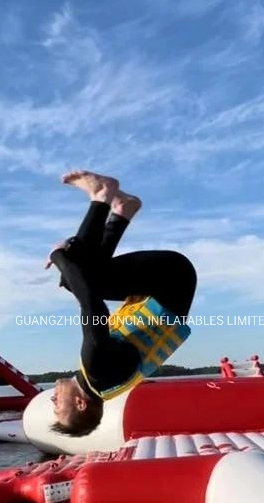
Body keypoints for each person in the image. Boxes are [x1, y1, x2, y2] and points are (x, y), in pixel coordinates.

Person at [45, 170, 197, 437]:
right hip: (170, 277)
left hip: (168, 285)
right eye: (58, 408)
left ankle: (122, 209)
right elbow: (92, 305)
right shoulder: (96, 369)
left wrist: (69, 265)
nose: (52, 401)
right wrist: (59, 255)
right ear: (80, 404)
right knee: (80, 276)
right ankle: (102, 194)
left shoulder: (105, 384)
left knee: (82, 275)